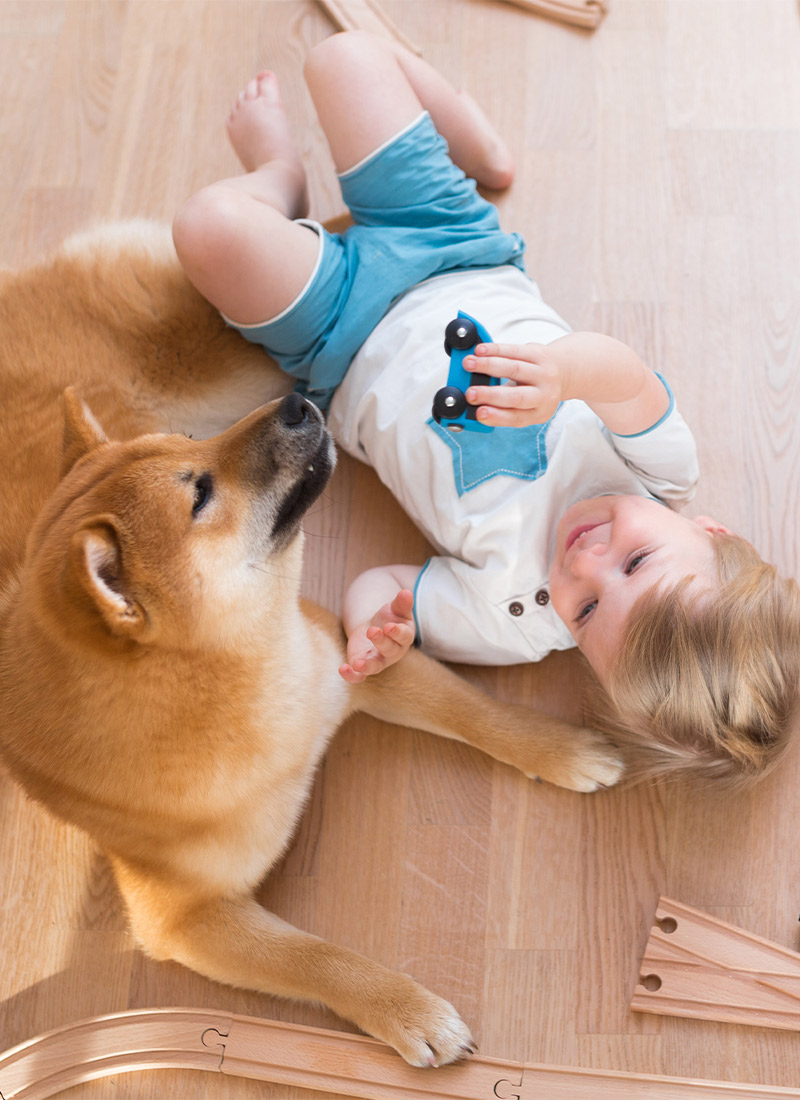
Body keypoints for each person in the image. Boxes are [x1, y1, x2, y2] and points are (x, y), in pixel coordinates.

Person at [172, 30, 800, 784]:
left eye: (590, 612)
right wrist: (566, 374)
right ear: (707, 530)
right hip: (452, 243)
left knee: (207, 229)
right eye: (637, 559)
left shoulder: (510, 620)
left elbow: (390, 588)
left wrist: (379, 629)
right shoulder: (660, 472)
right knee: (345, 58)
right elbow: (626, 377)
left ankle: (278, 178)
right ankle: (478, 141)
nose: (589, 562)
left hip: (339, 343)